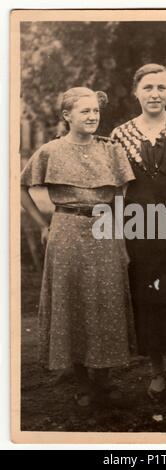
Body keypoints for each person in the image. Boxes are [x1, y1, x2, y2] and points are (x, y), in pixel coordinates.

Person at [21, 87, 136, 407]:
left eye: (95, 111)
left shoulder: (112, 150)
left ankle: (104, 379)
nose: (92, 116)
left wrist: (118, 234)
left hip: (104, 230)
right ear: (67, 116)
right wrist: (44, 224)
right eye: (84, 111)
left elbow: (118, 196)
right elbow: (19, 187)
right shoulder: (50, 151)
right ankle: (82, 381)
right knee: (72, 301)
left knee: (105, 300)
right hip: (66, 232)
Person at [111, 64, 166, 409]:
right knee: (146, 299)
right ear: (136, 91)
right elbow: (117, 189)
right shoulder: (121, 134)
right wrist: (117, 234)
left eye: (161, 88)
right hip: (139, 229)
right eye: (148, 87)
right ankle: (157, 373)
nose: (155, 94)